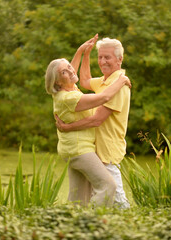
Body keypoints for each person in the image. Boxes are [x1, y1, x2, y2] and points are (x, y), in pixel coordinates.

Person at [45, 35, 131, 207]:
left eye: (107, 57)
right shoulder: (69, 96)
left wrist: (82, 52)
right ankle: (95, 223)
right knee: (108, 187)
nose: (70, 72)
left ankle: (74, 226)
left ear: (119, 60)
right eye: (101, 57)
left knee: (79, 200)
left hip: (84, 149)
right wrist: (121, 79)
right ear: (59, 82)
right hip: (80, 149)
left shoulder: (70, 88)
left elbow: (76, 76)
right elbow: (102, 97)